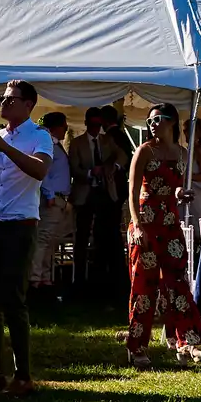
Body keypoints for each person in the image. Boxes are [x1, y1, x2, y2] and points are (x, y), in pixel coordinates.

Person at [0, 79, 52, 396]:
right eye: (3, 98)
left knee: (13, 299)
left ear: (28, 105)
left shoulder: (39, 136)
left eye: (11, 98)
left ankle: (23, 377)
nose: (4, 102)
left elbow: (41, 171)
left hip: (21, 225)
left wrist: (6, 149)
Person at [124, 102, 201, 368]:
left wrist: (180, 194)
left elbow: (173, 188)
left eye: (159, 119)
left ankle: (187, 343)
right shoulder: (144, 151)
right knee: (144, 287)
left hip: (170, 223)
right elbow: (133, 191)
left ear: (172, 122)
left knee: (178, 282)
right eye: (150, 121)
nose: (153, 124)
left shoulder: (182, 152)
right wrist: (137, 226)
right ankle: (137, 347)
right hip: (146, 224)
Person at [69, 106, 125, 293]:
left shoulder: (107, 139)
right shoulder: (77, 143)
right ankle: (78, 281)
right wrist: (91, 172)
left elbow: (123, 156)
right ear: (86, 123)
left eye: (98, 124)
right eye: (92, 124)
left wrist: (113, 167)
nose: (95, 128)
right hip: (85, 194)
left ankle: (102, 279)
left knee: (105, 236)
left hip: (104, 195)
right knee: (82, 237)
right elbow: (74, 169)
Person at [30, 111, 73, 296]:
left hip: (58, 198)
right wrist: (48, 194)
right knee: (43, 239)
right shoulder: (47, 144)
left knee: (50, 241)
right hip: (52, 198)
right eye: (64, 126)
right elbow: (44, 171)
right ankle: (34, 278)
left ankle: (45, 277)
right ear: (57, 126)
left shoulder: (56, 145)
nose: (66, 130)